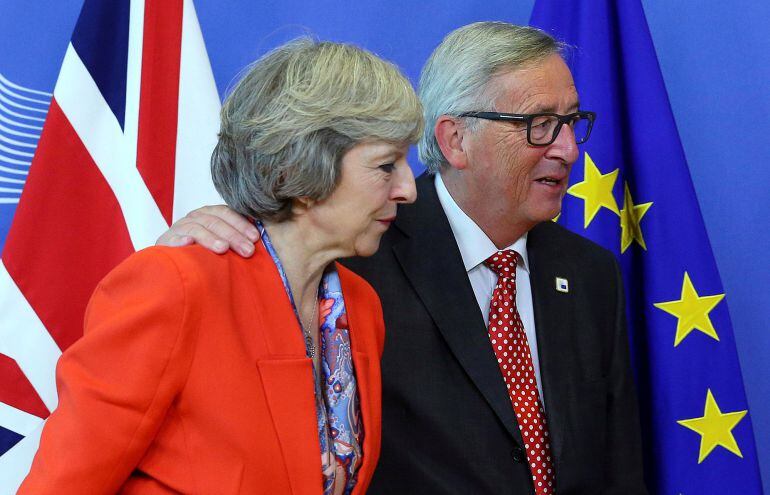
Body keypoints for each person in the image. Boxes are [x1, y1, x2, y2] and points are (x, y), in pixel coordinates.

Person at [158, 22, 648, 494]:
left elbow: (617, 472)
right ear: (456, 140)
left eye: (571, 123)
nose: (566, 149)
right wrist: (198, 243)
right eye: (540, 125)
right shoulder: (351, 256)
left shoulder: (590, 274)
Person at [19, 38, 422, 494]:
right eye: (387, 165)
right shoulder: (175, 285)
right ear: (298, 172)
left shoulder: (361, 306)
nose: (408, 189)